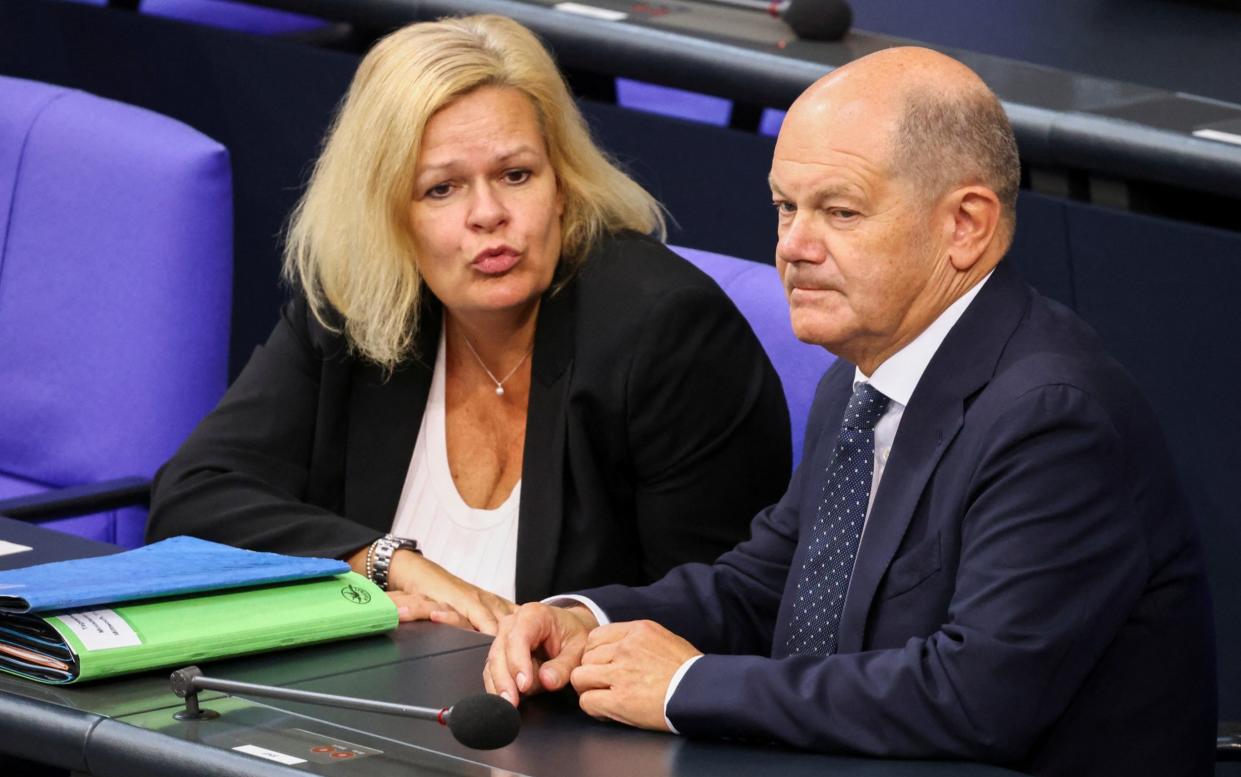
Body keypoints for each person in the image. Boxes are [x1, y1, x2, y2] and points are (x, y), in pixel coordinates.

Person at [483, 47, 1216, 776]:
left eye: (839, 211)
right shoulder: (859, 376)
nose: (793, 247)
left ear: (965, 225)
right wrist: (586, 618)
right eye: (784, 207)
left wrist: (684, 684)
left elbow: (973, 697)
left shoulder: (1051, 417)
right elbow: (763, 587)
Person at [146, 15, 792, 634]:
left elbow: (721, 610)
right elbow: (193, 498)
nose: (489, 214)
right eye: (441, 189)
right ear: (387, 214)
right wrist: (387, 561)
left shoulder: (665, 332)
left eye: (516, 175)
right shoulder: (361, 305)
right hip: (367, 699)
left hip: (569, 725)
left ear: (561, 182)